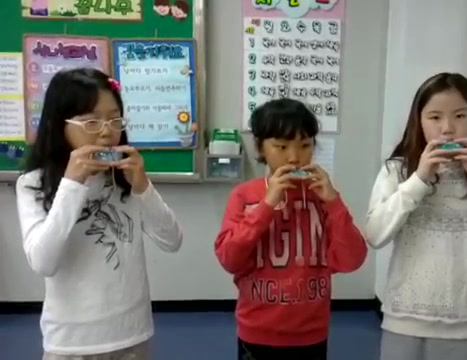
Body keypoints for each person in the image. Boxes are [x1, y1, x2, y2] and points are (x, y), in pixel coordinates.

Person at [16, 68, 183, 360]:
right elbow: (43, 261)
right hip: (71, 342)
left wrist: (143, 186)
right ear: (60, 125)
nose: (107, 132)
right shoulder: (33, 183)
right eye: (91, 121)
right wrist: (71, 184)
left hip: (132, 334)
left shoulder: (125, 178)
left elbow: (172, 241)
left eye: (114, 119)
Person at [365, 72, 467, 360]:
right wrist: (418, 180)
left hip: (462, 329)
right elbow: (375, 235)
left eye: (460, 116)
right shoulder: (397, 171)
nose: (448, 129)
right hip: (402, 322)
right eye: (435, 117)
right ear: (419, 121)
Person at [214, 98, 368, 360]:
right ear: (260, 146)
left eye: (305, 145)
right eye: (281, 146)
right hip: (257, 331)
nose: (295, 157)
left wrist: (333, 201)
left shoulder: (323, 197)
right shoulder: (245, 195)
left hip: (311, 333)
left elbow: (352, 260)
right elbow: (229, 258)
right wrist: (266, 206)